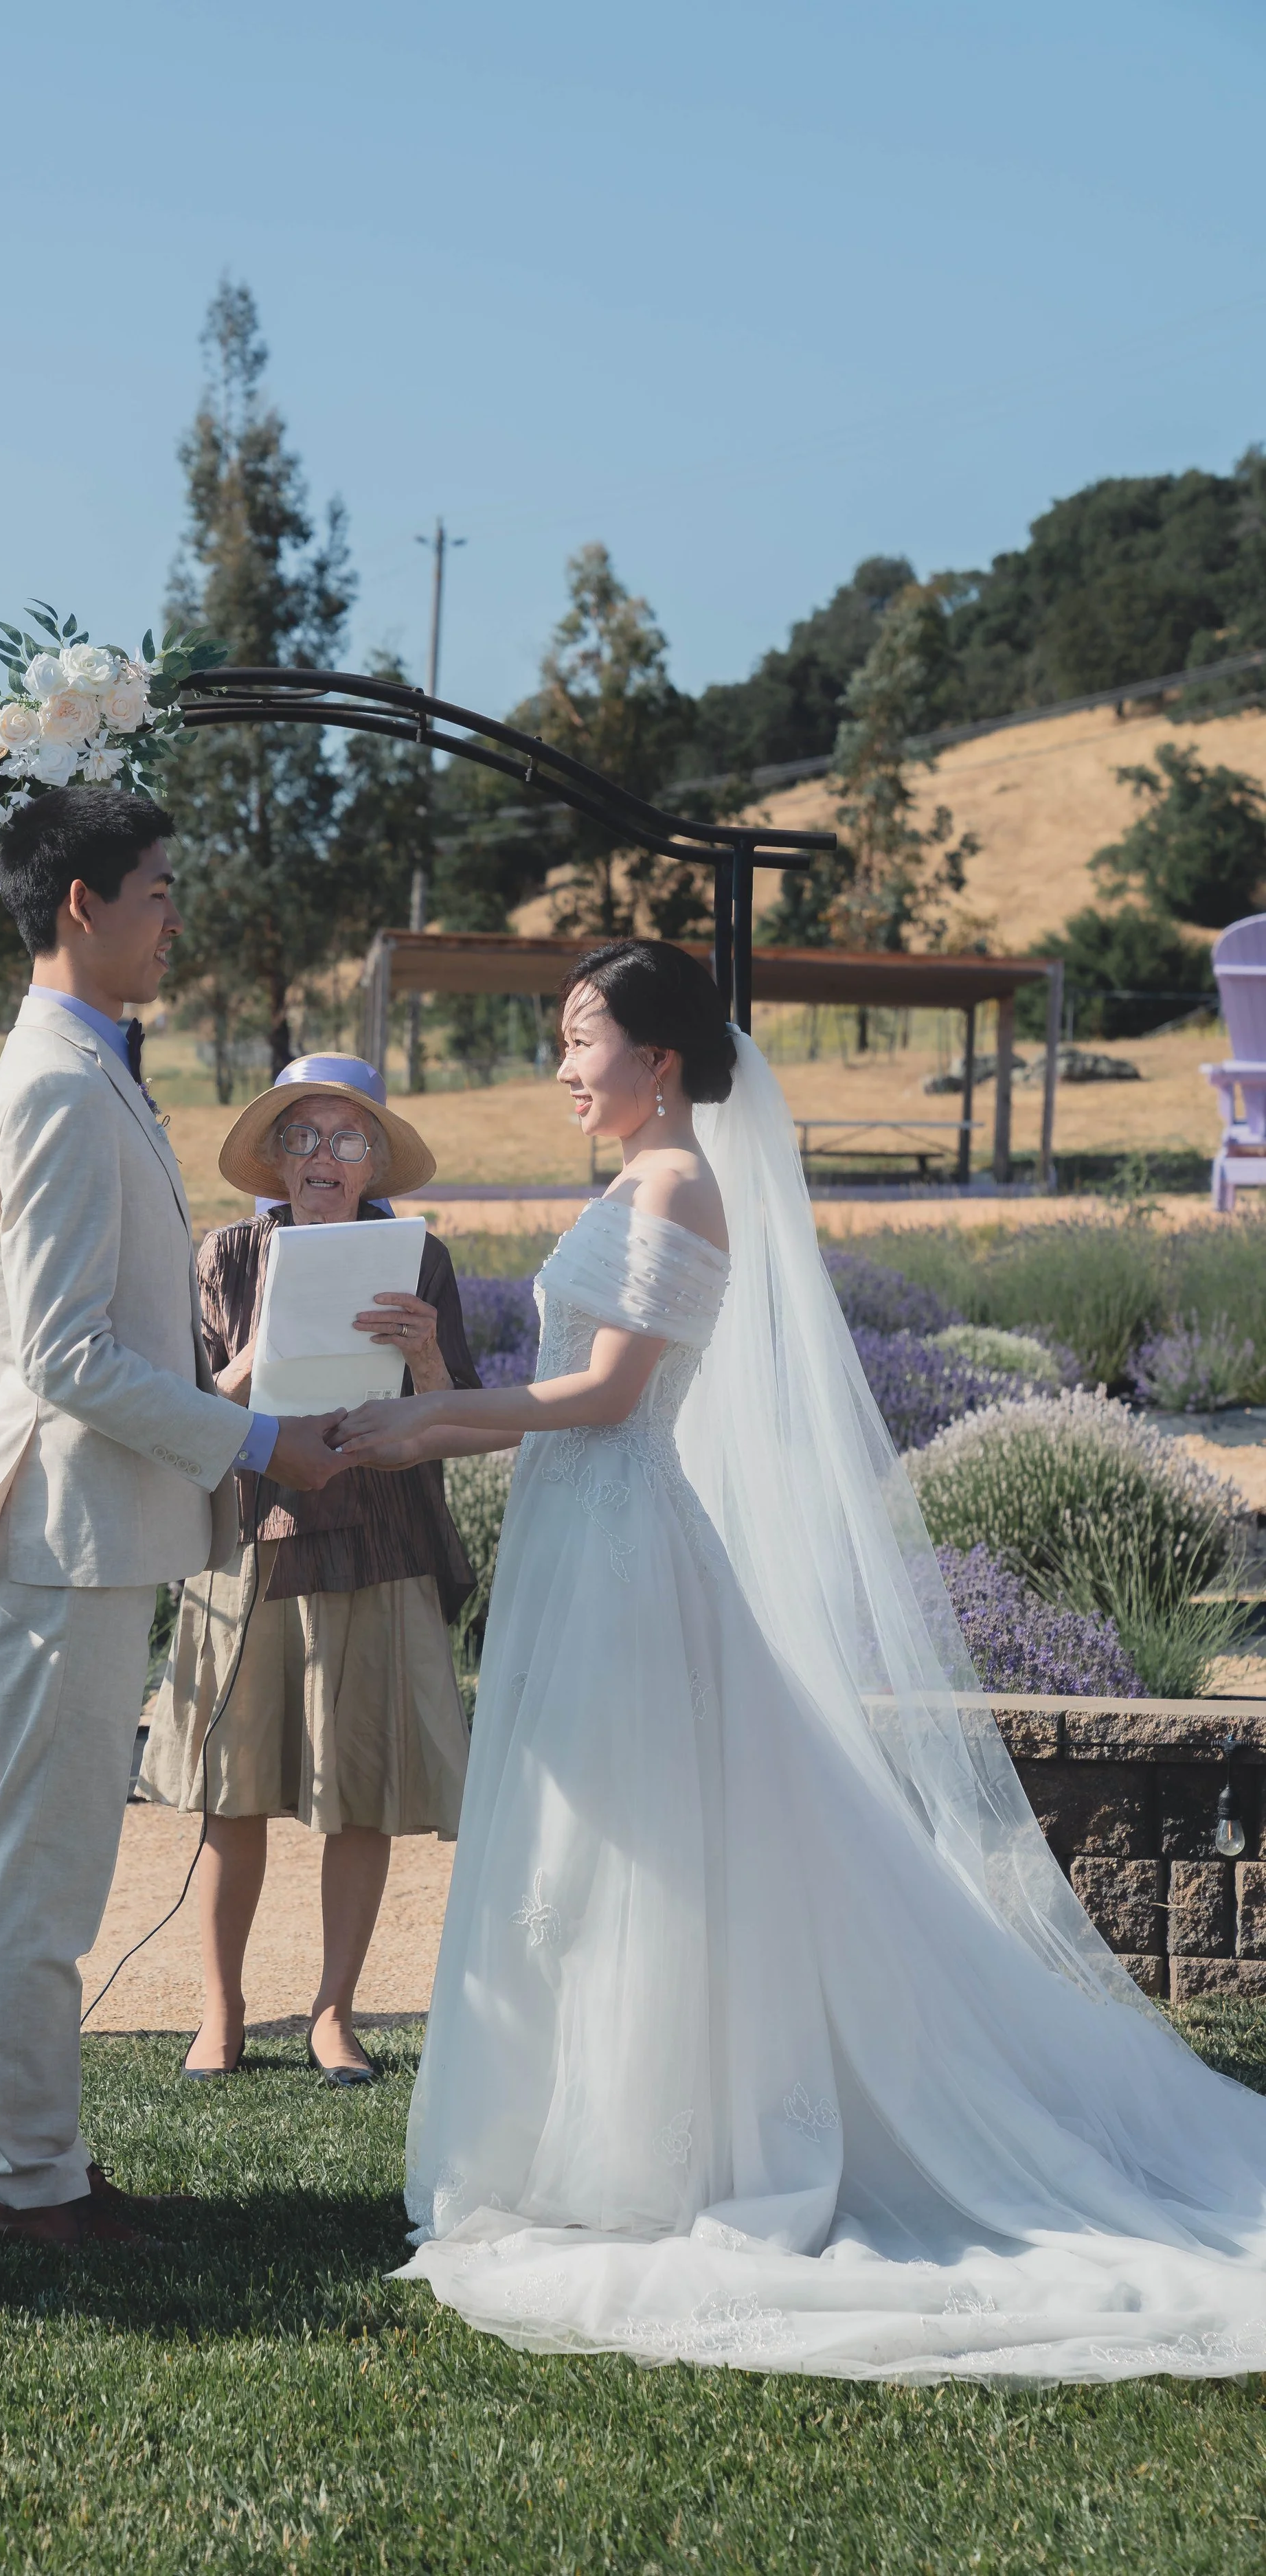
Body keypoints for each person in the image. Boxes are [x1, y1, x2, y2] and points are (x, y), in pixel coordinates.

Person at [329, 938, 1266, 2381]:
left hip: (626, 1546)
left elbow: (608, 1398)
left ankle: (654, 2152)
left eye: (582, 1039)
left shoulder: (679, 1185)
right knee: (583, 1839)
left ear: (657, 1060)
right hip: (577, 1538)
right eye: (564, 1038)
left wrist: (429, 1427)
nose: (563, 1066)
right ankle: (573, 2128)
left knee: (643, 1846)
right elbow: (553, 1397)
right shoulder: (628, 1186)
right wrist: (431, 1388)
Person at [0, 785, 347, 2250]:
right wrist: (250, 1439)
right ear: (82, 902)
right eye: (162, 887)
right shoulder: (53, 1080)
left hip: (102, 1526)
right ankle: (26, 2184)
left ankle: (39, 2161)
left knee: (55, 1865)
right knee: (42, 1870)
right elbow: (62, 1354)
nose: (177, 913)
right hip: (65, 1526)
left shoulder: (89, 1067)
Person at [139, 1055, 479, 2084]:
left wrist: (423, 1359)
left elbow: (457, 1412)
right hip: (250, 1545)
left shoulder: (421, 1262)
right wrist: (257, 1352)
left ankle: (334, 2012)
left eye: (344, 1138)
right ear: (274, 1157)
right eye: (302, 1136)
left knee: (359, 1789)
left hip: (379, 1543)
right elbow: (186, 1409)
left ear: (375, 1158)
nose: (322, 1156)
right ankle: (221, 2011)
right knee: (231, 1794)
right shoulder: (224, 1257)